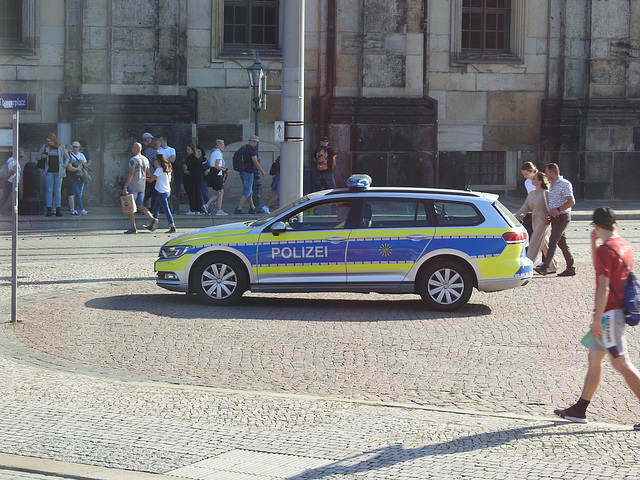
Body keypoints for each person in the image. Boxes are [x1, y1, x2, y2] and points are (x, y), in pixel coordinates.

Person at [554, 207, 640, 429]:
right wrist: (594, 244)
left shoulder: (606, 250)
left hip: (609, 315)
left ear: (596, 226)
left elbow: (603, 286)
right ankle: (579, 409)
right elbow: (602, 270)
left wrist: (596, 320)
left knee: (621, 362)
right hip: (616, 311)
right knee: (594, 359)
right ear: (614, 223)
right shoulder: (623, 244)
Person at [534, 163, 576, 277]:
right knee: (562, 243)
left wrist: (558, 210)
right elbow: (553, 202)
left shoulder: (564, 184)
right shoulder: (552, 184)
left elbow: (571, 201)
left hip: (563, 217)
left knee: (553, 241)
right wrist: (550, 214)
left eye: (547, 172)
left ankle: (545, 267)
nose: (545, 174)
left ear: (553, 173)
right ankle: (570, 267)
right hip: (555, 217)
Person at [514, 172, 557, 271]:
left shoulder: (545, 193)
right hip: (534, 219)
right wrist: (514, 216)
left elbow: (550, 207)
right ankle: (552, 265)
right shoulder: (531, 193)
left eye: (534, 179)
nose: (532, 180)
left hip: (543, 220)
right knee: (543, 244)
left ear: (540, 181)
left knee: (534, 241)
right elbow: (525, 207)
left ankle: (527, 264)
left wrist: (548, 217)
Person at [121, 143, 157, 234]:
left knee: (130, 207)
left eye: (133, 147)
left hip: (134, 185)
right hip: (142, 185)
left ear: (136, 149)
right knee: (140, 204)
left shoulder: (133, 159)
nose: (132, 149)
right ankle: (152, 219)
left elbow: (131, 174)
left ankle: (133, 227)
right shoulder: (145, 159)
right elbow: (148, 174)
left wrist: (125, 186)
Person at [37, 132, 70, 217]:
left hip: (59, 172)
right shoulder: (45, 147)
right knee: (49, 190)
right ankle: (49, 209)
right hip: (48, 172)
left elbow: (67, 157)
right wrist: (42, 156)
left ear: (54, 140)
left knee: (57, 190)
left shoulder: (61, 147)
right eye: (48, 141)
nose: (49, 143)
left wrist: (64, 165)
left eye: (51, 141)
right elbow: (37, 156)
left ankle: (58, 209)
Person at [234, 135, 265, 215]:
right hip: (248, 171)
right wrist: (262, 170)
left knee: (249, 191)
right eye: (256, 142)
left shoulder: (243, 147)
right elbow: (255, 161)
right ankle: (238, 208)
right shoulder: (251, 149)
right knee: (247, 190)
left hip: (242, 171)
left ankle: (252, 208)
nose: (256, 144)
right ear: (254, 142)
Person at [145, 153, 176, 233]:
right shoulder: (168, 168)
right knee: (156, 208)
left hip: (161, 191)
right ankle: (153, 225)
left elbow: (151, 180)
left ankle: (172, 225)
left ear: (158, 161)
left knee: (166, 209)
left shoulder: (159, 169)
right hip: (166, 190)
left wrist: (143, 178)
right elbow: (169, 180)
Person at [203, 139, 230, 216]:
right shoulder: (218, 153)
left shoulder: (214, 153)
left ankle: (209, 206)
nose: (224, 146)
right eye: (222, 144)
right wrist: (225, 170)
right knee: (220, 192)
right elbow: (217, 166)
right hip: (217, 174)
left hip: (215, 174)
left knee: (219, 192)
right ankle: (215, 209)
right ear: (219, 145)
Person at [183, 144, 206, 215]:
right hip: (199, 176)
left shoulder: (190, 157)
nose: (187, 151)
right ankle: (197, 210)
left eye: (189, 149)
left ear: (192, 150)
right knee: (197, 193)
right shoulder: (199, 157)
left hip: (191, 176)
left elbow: (185, 165)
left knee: (191, 193)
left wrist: (185, 171)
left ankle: (192, 210)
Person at [67, 141, 88, 216]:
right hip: (73, 176)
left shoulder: (81, 155)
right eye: (74, 147)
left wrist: (82, 162)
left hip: (80, 176)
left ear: (79, 148)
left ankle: (75, 209)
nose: (75, 149)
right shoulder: (70, 155)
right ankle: (82, 209)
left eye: (77, 147)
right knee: (77, 194)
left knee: (79, 194)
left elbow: (86, 165)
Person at [0, 147, 23, 213]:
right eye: (21, 157)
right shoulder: (14, 161)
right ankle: (15, 210)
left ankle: (13, 209)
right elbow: (11, 171)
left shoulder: (10, 160)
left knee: (5, 197)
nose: (21, 158)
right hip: (12, 181)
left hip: (10, 181)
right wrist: (5, 179)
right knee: (18, 196)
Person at [520, 162, 537, 237]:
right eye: (523, 174)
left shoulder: (540, 180)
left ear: (532, 171)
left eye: (526, 174)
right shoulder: (527, 182)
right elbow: (530, 196)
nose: (524, 176)